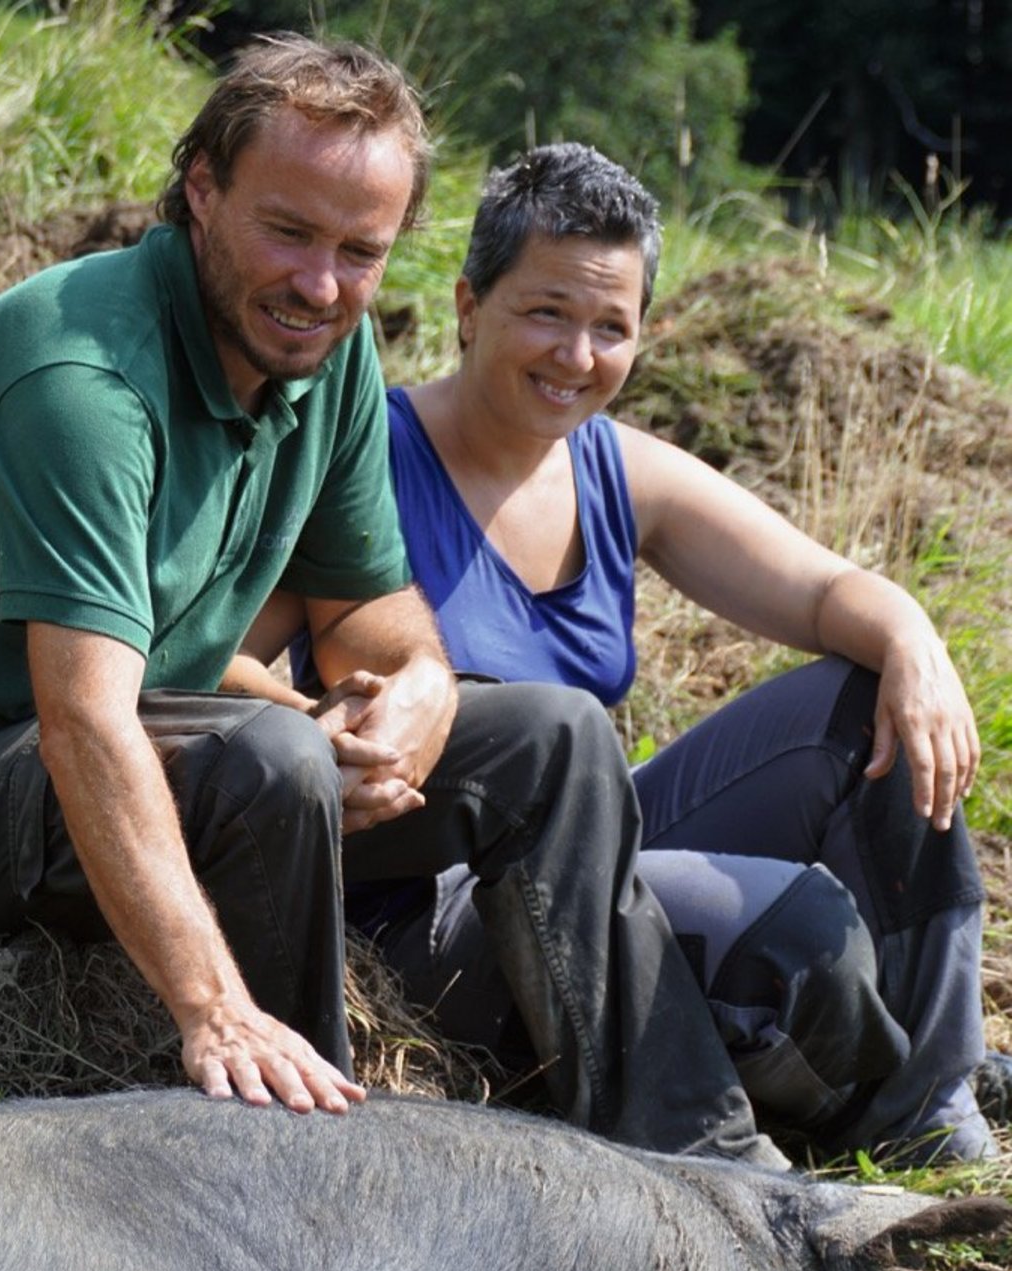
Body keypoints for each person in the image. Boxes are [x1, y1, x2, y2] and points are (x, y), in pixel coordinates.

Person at [0, 39, 785, 1162]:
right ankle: (304, 1167)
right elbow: (82, 719)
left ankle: (688, 1154)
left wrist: (415, 689)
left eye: (357, 251)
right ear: (201, 190)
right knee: (268, 759)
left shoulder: (330, 356)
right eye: (288, 232)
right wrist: (210, 1006)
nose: (320, 284)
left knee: (552, 736)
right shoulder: (83, 379)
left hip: (150, 741)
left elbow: (366, 610)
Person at [260, 141, 1002, 1161]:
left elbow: (828, 589)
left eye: (610, 327)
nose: (575, 356)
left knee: (865, 697)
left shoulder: (619, 472)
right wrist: (319, 736)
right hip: (430, 902)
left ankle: (928, 1113)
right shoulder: (361, 466)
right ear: (468, 306)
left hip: (594, 850)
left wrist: (913, 639)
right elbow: (224, 663)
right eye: (546, 312)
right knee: (792, 937)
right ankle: (765, 1122)